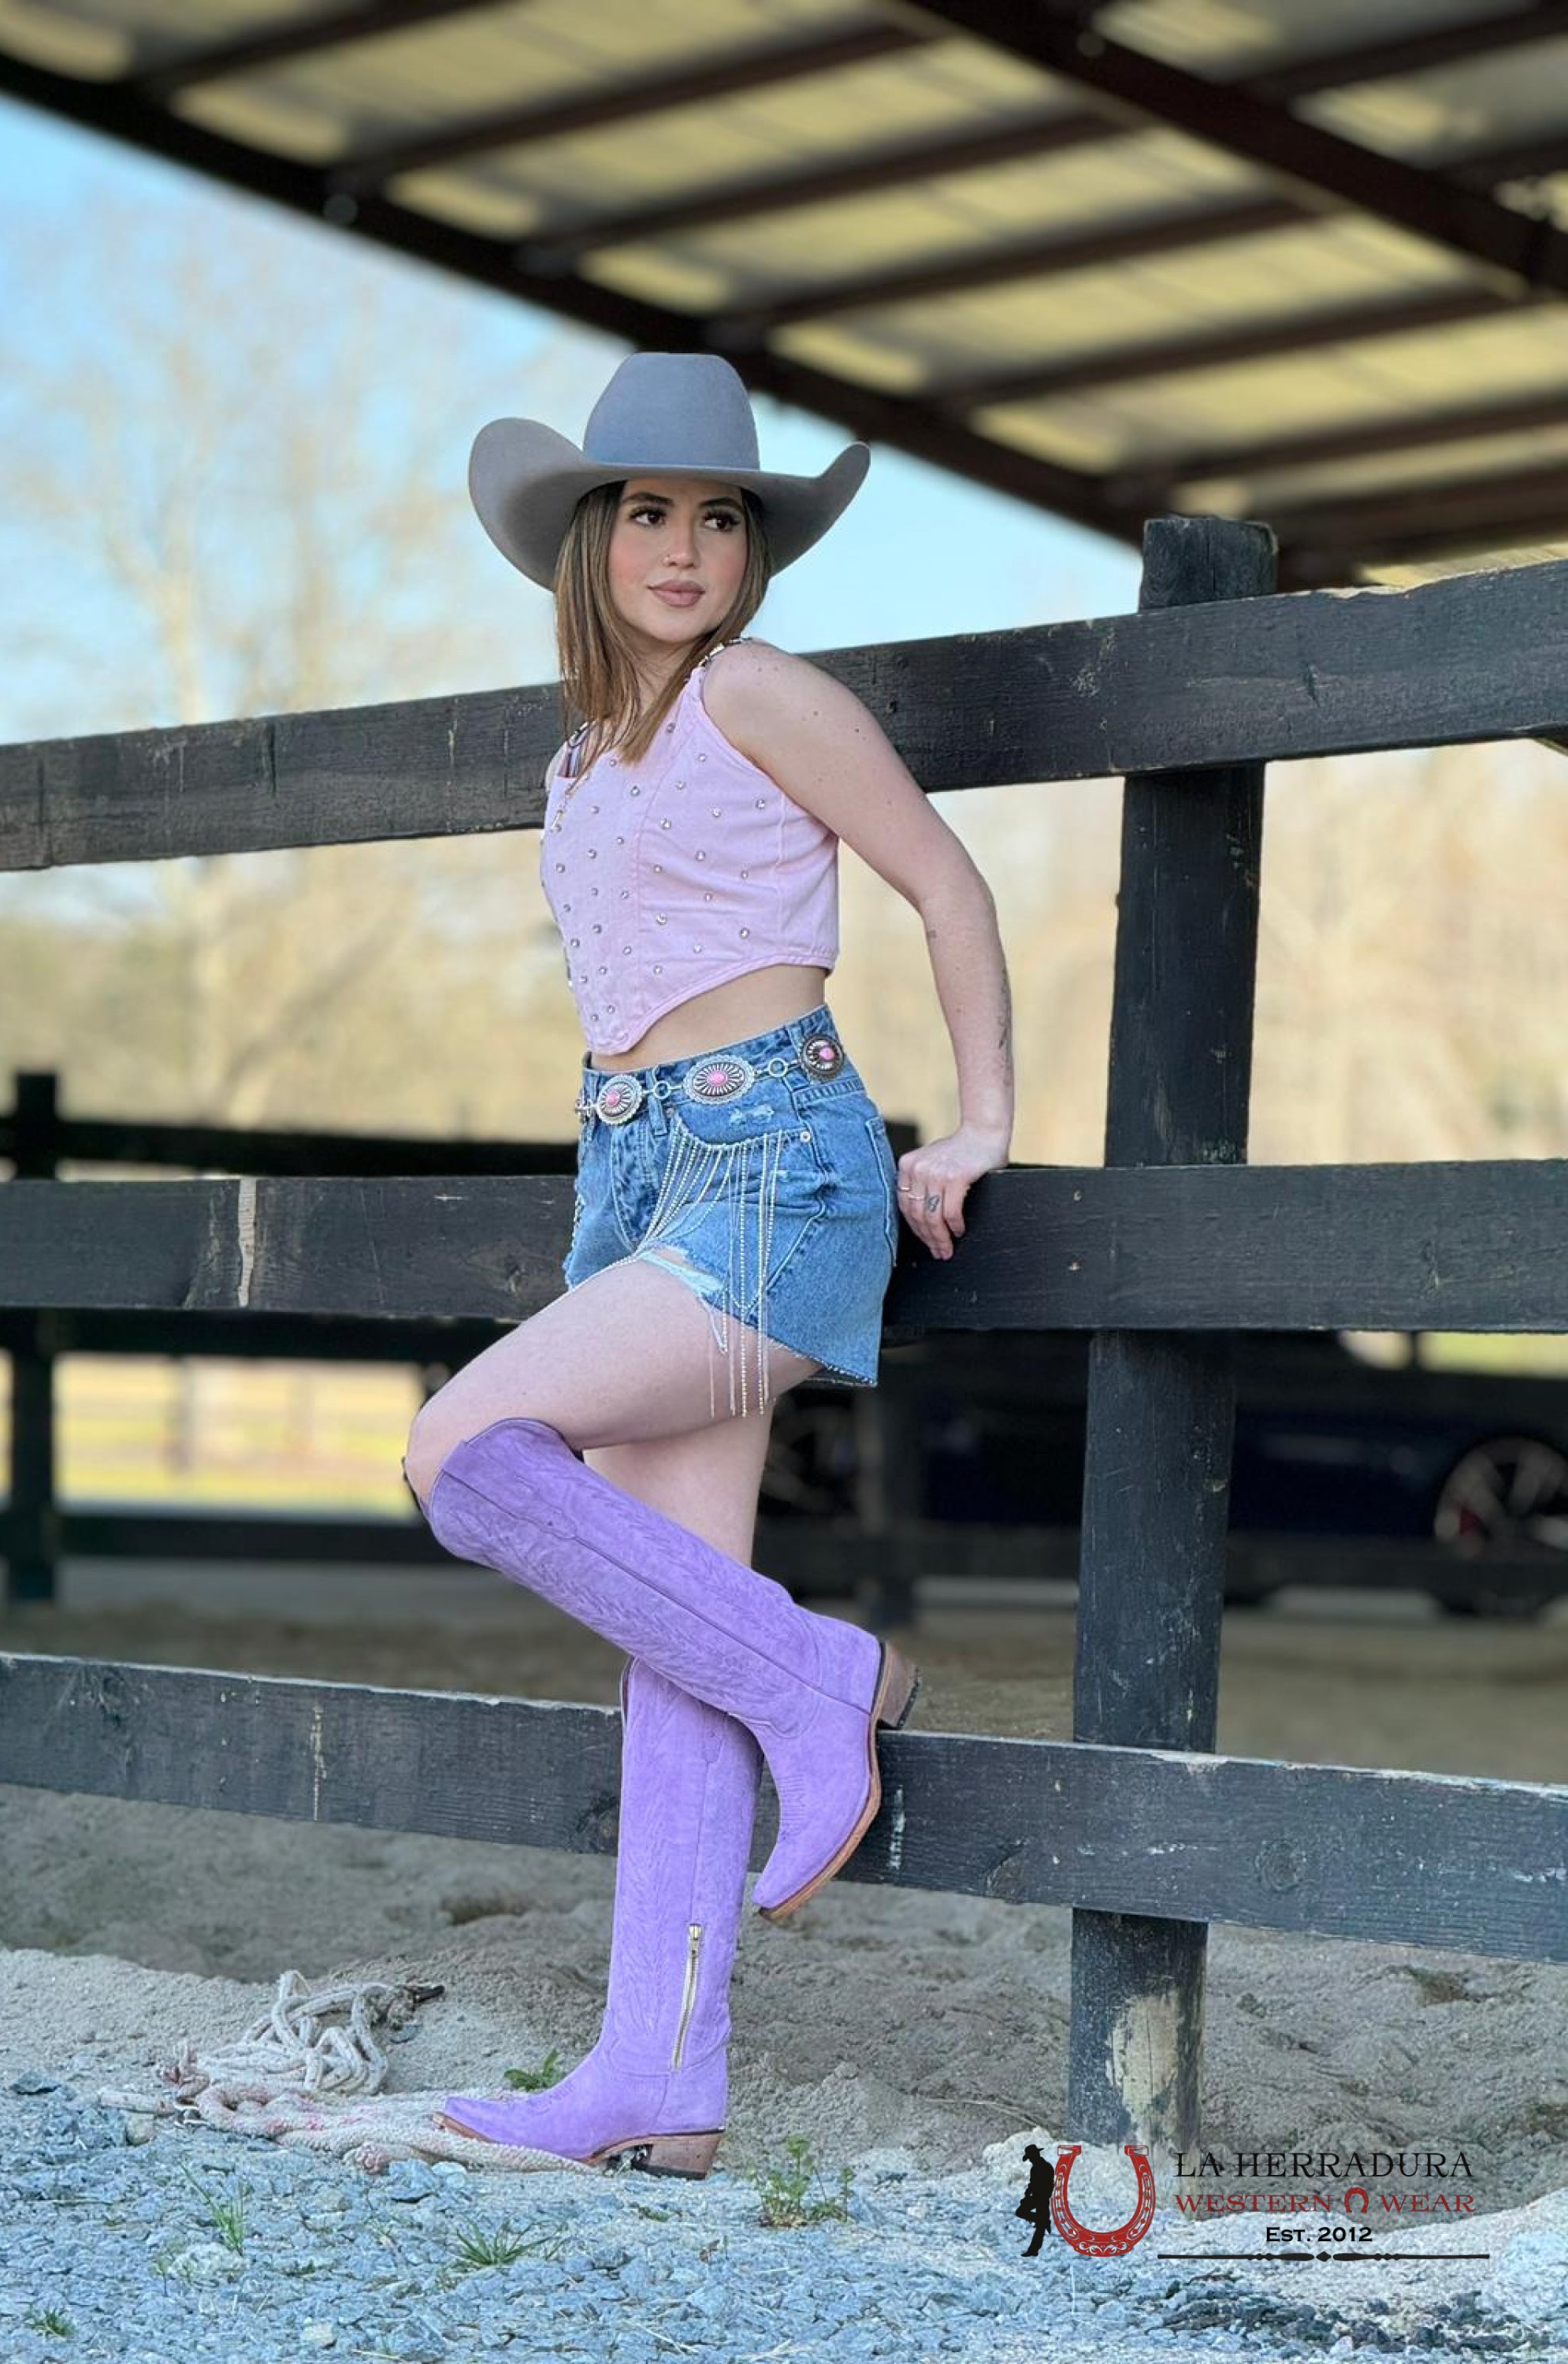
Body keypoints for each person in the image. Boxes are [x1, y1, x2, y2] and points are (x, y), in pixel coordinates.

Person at [405, 351, 1014, 2176]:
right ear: (589, 540)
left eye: (723, 518)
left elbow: (947, 886)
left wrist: (979, 1123)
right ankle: (658, 2077)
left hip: (775, 1165)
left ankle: (822, 1677)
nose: (686, 549)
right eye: (651, 514)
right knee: (669, 1634)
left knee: (460, 1452)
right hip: (638, 1173)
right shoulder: (582, 756)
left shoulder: (763, 692)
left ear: (755, 550)